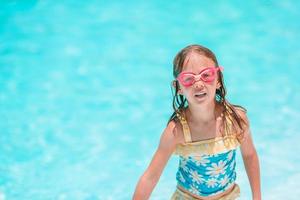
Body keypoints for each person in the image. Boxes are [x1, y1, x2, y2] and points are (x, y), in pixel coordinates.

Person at [132, 44, 261, 200]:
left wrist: (257, 197)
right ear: (178, 87)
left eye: (206, 75)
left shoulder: (235, 120)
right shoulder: (176, 131)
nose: (199, 84)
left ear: (218, 79)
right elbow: (151, 177)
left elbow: (249, 156)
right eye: (188, 79)